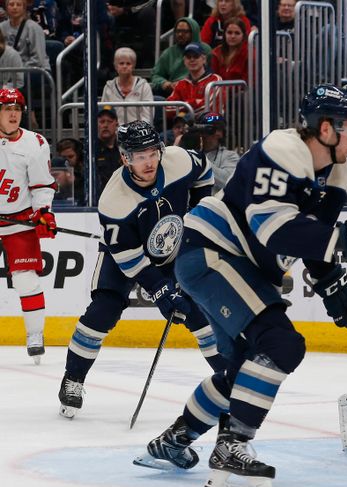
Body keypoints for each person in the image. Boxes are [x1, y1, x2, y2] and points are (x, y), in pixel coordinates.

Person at [132, 84, 347, 487]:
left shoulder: (339, 171)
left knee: (244, 369)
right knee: (281, 344)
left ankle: (172, 442)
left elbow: (314, 237)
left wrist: (333, 283)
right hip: (210, 251)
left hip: (243, 266)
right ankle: (231, 452)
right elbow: (272, 228)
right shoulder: (281, 150)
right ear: (326, 128)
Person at [57, 120, 227, 419]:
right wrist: (161, 290)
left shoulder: (178, 159)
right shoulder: (114, 200)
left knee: (197, 309)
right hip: (125, 255)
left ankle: (231, 380)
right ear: (125, 158)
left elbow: (204, 172)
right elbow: (130, 259)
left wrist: (198, 212)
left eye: (152, 153)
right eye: (139, 156)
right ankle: (73, 378)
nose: (148, 162)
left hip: (174, 247)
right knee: (104, 310)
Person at [0, 88, 55, 363]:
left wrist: (43, 212)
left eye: (17, 109)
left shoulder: (35, 143)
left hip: (18, 221)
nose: (13, 114)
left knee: (25, 279)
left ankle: (35, 334)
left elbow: (42, 184)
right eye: (7, 108)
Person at [151, 17, 211, 97]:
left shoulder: (205, 49)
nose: (180, 34)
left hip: (199, 90)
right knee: (157, 99)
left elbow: (210, 73)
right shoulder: (169, 52)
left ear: (194, 32)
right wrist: (164, 83)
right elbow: (156, 75)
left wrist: (184, 83)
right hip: (174, 92)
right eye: (178, 31)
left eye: (185, 32)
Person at [180, 111, 240, 192]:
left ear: (222, 133)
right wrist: (182, 148)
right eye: (209, 128)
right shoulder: (187, 153)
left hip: (214, 202)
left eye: (217, 129)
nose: (215, 133)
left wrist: (200, 159)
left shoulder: (230, 156)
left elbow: (228, 181)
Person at [166, 42, 223, 116]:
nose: (192, 60)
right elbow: (167, 108)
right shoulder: (181, 83)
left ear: (204, 59)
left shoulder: (215, 80)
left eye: (196, 56)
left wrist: (183, 107)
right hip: (187, 122)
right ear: (184, 61)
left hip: (214, 122)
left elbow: (208, 107)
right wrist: (194, 102)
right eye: (188, 57)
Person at [101, 47, 154, 124]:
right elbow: (105, 113)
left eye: (128, 63)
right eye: (121, 63)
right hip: (115, 133)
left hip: (138, 132)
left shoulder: (144, 86)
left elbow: (148, 116)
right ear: (115, 66)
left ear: (133, 66)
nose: (125, 66)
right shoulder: (108, 87)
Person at [95, 105, 122, 191]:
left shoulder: (124, 148)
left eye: (109, 121)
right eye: (102, 122)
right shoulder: (90, 150)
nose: (105, 125)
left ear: (116, 124)